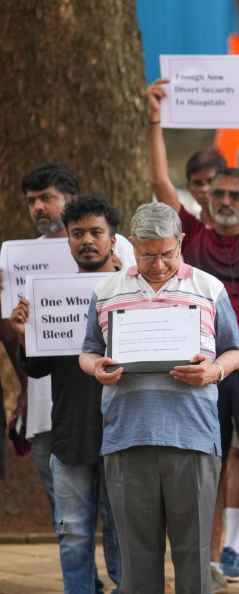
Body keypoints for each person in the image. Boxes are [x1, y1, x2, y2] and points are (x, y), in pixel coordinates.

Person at [147, 77, 239, 590]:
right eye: (218, 192)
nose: (225, 199)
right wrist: (155, 119)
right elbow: (162, 182)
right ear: (205, 197)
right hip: (201, 365)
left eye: (236, 193)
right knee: (205, 463)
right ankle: (206, 562)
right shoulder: (192, 232)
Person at [78, 202, 239, 594]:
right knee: (137, 562)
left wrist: (214, 371)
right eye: (147, 254)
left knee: (194, 556)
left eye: (167, 254)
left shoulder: (208, 288)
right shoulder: (106, 291)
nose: (157, 265)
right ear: (131, 245)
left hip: (192, 437)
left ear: (182, 242)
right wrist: (95, 367)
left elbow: (236, 350)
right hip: (127, 436)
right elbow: (86, 350)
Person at [12, 164, 137, 524]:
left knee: (116, 520)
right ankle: (83, 583)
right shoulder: (22, 259)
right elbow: (23, 342)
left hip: (112, 406)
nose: (38, 208)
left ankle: (122, 580)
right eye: (32, 201)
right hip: (53, 404)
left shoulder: (119, 249)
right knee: (70, 522)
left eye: (47, 199)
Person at [11, 195, 123, 594]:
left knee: (122, 533)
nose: (87, 241)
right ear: (68, 241)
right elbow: (37, 370)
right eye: (78, 234)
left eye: (96, 232)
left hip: (124, 435)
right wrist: (26, 337)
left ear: (113, 239)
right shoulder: (50, 295)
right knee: (72, 533)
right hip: (70, 435)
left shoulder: (132, 293)